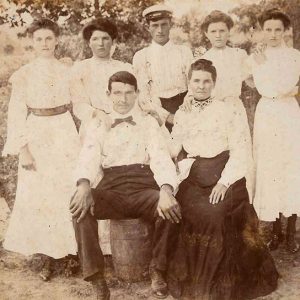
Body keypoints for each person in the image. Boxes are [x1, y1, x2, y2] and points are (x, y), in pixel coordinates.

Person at [167, 59, 279, 299]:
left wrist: (224, 182)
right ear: (189, 82)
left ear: (214, 83)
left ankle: (218, 284)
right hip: (195, 173)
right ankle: (188, 278)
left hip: (225, 171)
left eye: (206, 81)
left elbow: (240, 150)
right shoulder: (183, 112)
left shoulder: (228, 110)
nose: (201, 86)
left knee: (215, 214)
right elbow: (175, 146)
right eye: (196, 80)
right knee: (182, 210)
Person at [70, 71, 181, 299]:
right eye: (117, 93)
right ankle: (97, 278)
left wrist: (166, 190)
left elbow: (160, 157)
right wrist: (83, 185)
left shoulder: (149, 122)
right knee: (79, 208)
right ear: (108, 94)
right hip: (112, 190)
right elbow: (88, 156)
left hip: (143, 188)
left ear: (137, 94)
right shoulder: (98, 124)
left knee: (172, 209)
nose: (123, 99)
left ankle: (157, 269)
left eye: (129, 93)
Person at [2, 18, 80, 281]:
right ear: (32, 43)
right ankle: (46, 254)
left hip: (64, 131)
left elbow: (79, 106)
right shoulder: (24, 74)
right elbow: (15, 115)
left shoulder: (68, 71)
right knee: (40, 194)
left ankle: (70, 253)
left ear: (57, 40)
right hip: (37, 133)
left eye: (49, 38)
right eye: (39, 39)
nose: (44, 44)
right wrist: (22, 149)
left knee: (66, 189)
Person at [69, 18, 132, 255]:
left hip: (121, 125)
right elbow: (79, 104)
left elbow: (134, 97)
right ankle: (96, 249)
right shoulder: (81, 69)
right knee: (92, 179)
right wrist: (98, 113)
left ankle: (118, 247)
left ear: (114, 41)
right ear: (89, 43)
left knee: (116, 179)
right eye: (95, 38)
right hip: (93, 125)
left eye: (106, 38)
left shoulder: (124, 66)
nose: (101, 43)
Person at [185, 10, 255, 200]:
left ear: (229, 32)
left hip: (234, 108)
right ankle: (214, 198)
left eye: (222, 31)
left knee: (241, 152)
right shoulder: (202, 59)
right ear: (206, 34)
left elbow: (252, 81)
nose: (218, 35)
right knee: (216, 153)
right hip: (211, 110)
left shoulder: (239, 55)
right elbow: (193, 89)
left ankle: (243, 202)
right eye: (213, 31)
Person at [248, 9, 300, 253]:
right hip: (267, 113)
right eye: (268, 29)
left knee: (290, 166)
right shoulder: (256, 56)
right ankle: (276, 231)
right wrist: (263, 68)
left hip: (288, 113)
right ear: (261, 30)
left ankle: (291, 233)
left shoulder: (294, 56)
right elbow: (264, 87)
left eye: (278, 29)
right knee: (271, 167)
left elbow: (284, 87)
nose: (272, 34)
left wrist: (267, 69)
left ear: (285, 31)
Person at [133, 4, 193, 132]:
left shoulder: (184, 52)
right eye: (155, 25)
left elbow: (193, 84)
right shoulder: (141, 56)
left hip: (185, 107)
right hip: (157, 112)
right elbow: (143, 95)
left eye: (164, 24)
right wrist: (166, 116)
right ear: (148, 27)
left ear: (170, 25)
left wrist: (185, 110)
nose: (160, 30)